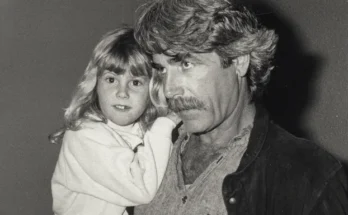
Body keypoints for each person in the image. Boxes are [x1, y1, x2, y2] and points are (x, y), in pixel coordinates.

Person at [133, 0, 348, 214]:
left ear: (239, 60)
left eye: (185, 64)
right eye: (161, 69)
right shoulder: (146, 147)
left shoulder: (310, 177)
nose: (169, 90)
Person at [50, 27, 180, 215]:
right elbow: (141, 189)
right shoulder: (84, 135)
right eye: (111, 80)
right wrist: (165, 125)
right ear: (95, 84)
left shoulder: (139, 131)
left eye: (135, 83)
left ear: (152, 90)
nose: (122, 92)